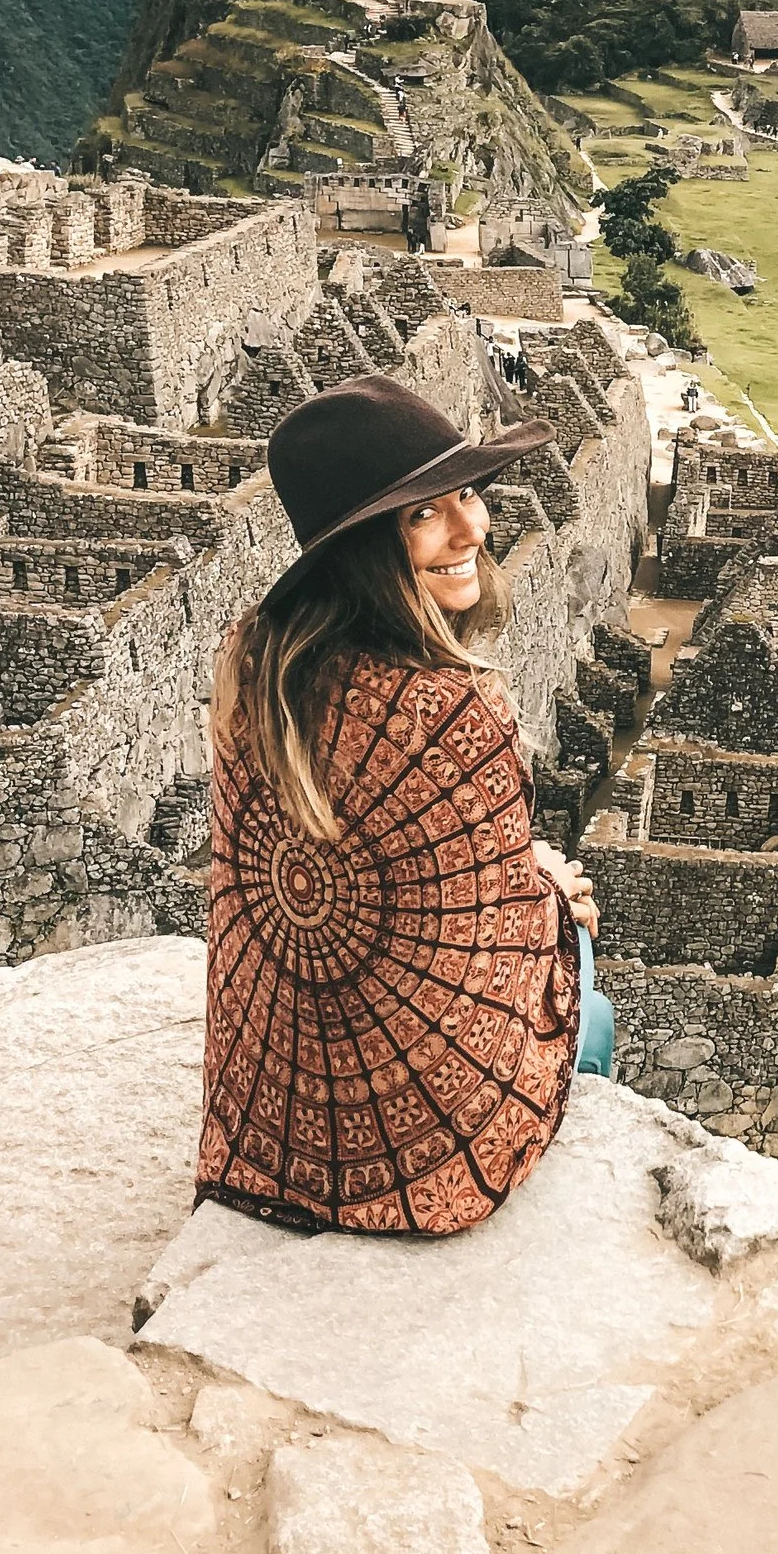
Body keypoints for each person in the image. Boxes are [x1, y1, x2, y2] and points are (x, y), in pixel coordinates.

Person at [195, 375, 616, 1237]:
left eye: (468, 494)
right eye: (425, 513)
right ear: (362, 546)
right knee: (592, 1002)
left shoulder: (256, 662)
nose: (472, 529)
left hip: (269, 1117)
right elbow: (490, 943)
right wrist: (548, 890)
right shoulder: (456, 711)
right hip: (414, 1144)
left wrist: (519, 867)